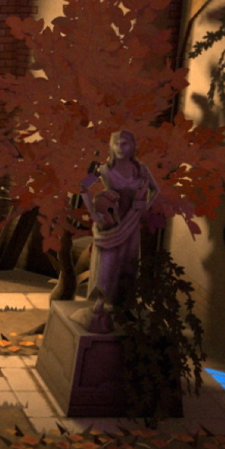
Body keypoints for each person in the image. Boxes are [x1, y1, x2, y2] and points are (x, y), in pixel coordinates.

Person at [80, 129, 162, 330]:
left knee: (128, 264)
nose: (119, 147)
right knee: (107, 264)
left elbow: (155, 189)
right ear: (110, 145)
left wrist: (146, 205)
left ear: (132, 146)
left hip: (132, 224)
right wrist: (94, 214)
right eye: (116, 143)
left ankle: (124, 305)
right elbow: (83, 187)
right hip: (111, 226)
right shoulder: (104, 169)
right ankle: (100, 302)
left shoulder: (141, 170)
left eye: (124, 143)